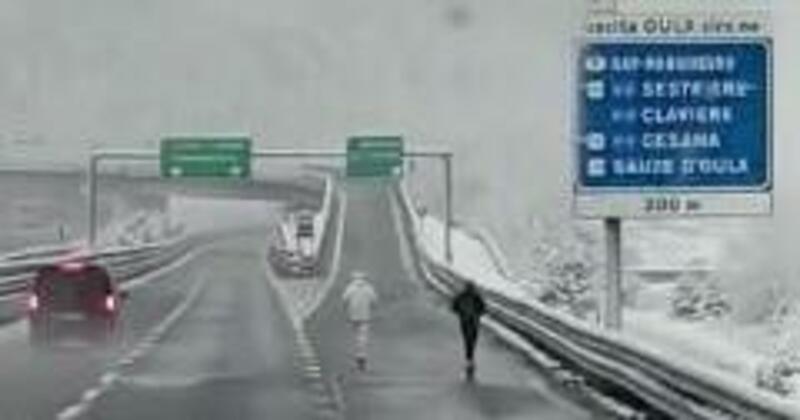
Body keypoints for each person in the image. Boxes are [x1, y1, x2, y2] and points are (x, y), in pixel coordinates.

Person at [342, 271, 379, 371]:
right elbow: (374, 300)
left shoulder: (350, 288)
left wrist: (349, 307)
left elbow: (344, 299)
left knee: (355, 336)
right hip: (365, 316)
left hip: (353, 316)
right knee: (362, 337)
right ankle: (361, 356)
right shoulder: (368, 288)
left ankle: (358, 356)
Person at [451, 281, 486, 381]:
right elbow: (483, 308)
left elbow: (454, 307)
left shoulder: (461, 296)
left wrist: (460, 313)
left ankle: (469, 358)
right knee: (473, 339)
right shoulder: (476, 296)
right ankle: (470, 357)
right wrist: (478, 314)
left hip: (464, 321)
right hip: (474, 321)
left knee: (467, 339)